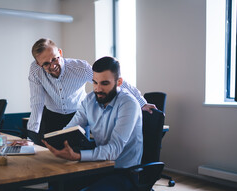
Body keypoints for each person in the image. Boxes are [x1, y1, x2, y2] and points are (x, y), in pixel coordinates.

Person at [27, 38, 153, 191]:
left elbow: (113, 151)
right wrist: (55, 142)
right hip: (101, 168)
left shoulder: (128, 104)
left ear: (118, 82)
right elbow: (70, 128)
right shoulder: (89, 100)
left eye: (104, 83)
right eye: (94, 82)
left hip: (125, 172)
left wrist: (77, 156)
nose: (97, 89)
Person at [27, 38, 155, 136]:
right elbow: (37, 103)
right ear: (38, 64)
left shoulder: (79, 68)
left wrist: (141, 102)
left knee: (79, 157)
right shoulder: (35, 71)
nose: (53, 65)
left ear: (60, 52)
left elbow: (114, 81)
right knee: (52, 158)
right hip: (51, 117)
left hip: (78, 116)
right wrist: (30, 136)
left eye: (55, 59)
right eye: (46, 64)